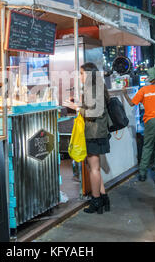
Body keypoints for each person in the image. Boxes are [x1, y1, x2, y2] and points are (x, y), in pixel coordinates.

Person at [64, 62, 111, 214]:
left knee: (94, 169)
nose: (80, 76)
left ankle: (96, 201)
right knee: (94, 168)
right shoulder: (97, 87)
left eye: (82, 73)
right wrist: (79, 104)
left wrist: (75, 108)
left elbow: (93, 113)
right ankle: (103, 198)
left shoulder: (92, 89)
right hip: (97, 132)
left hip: (94, 133)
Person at [122, 67, 155, 184]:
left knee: (148, 146)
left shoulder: (143, 90)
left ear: (150, 79)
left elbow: (131, 103)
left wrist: (125, 94)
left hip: (150, 121)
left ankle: (142, 174)